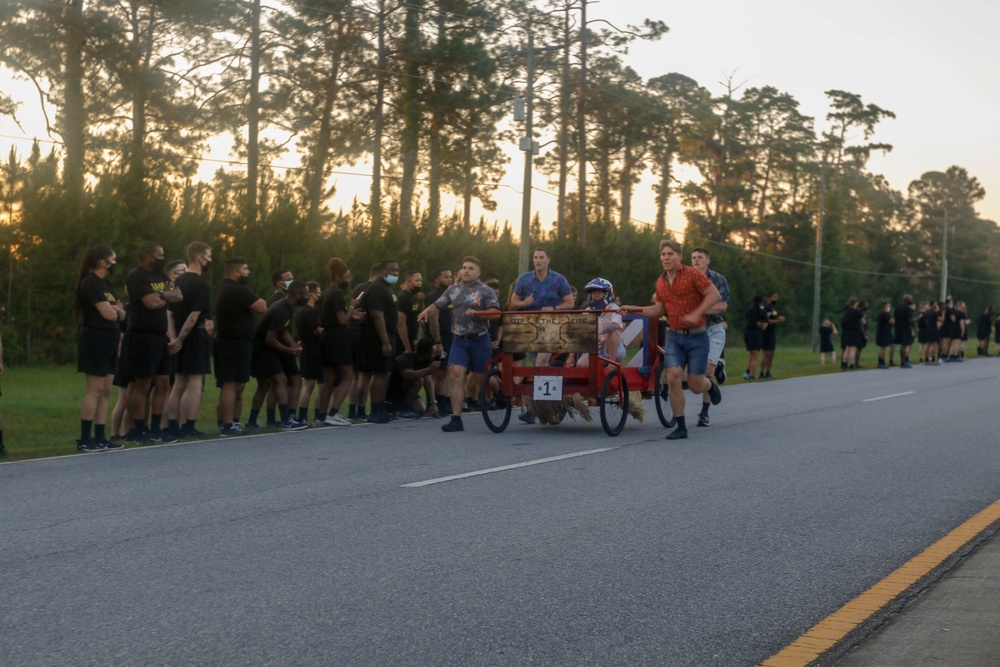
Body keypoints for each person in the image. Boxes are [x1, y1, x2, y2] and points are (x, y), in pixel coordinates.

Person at [620, 239, 722, 441]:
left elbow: (714, 295)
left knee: (694, 385)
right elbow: (658, 310)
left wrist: (697, 313)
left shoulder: (693, 274)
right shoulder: (660, 282)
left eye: (670, 254)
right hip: (675, 336)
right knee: (673, 376)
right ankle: (681, 426)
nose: (666, 258)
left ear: (679, 257)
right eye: (663, 255)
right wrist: (635, 309)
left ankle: (709, 384)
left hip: (697, 337)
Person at [418, 256, 500, 433]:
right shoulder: (453, 289)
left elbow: (496, 313)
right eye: (464, 267)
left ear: (478, 272)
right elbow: (437, 305)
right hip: (459, 340)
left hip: (480, 339)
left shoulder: (486, 291)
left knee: (482, 379)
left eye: (471, 268)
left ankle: (499, 391)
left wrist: (478, 314)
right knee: (455, 375)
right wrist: (426, 311)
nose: (466, 271)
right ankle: (456, 419)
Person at [124, 241, 183, 444]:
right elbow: (150, 303)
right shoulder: (136, 276)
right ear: (149, 256)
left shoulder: (160, 276)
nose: (162, 258)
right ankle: (139, 430)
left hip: (160, 336)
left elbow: (179, 294)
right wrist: (166, 295)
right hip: (141, 336)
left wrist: (161, 295)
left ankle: (156, 429)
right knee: (143, 384)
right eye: (160, 255)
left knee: (163, 383)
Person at [74, 244, 127, 452]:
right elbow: (110, 314)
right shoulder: (90, 283)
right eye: (112, 259)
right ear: (103, 262)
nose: (115, 263)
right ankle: (85, 439)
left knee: (105, 391)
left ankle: (100, 436)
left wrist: (117, 310)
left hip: (110, 339)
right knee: (94, 390)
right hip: (95, 339)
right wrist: (116, 310)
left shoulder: (106, 284)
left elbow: (121, 311)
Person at [164, 242, 213, 439]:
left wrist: (173, 339)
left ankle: (172, 426)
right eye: (208, 256)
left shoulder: (178, 282)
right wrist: (181, 339)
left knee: (178, 383)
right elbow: (194, 316)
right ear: (200, 257)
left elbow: (168, 314)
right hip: (194, 336)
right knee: (195, 383)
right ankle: (189, 426)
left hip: (177, 336)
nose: (210, 260)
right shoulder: (201, 284)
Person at [214, 257, 268, 437]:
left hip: (229, 340)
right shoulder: (237, 289)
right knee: (231, 384)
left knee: (235, 385)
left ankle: (227, 422)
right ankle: (228, 425)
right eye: (245, 269)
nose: (248, 272)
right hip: (234, 342)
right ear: (235, 272)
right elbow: (262, 307)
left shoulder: (223, 287)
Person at [249, 280, 310, 431]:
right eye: (306, 294)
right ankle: (285, 421)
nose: (307, 297)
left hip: (263, 347)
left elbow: (282, 331)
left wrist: (293, 345)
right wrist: (289, 350)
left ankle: (251, 422)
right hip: (261, 348)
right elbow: (270, 339)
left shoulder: (286, 306)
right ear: (297, 295)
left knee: (264, 384)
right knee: (281, 380)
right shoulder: (282, 309)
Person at [690, 247, 730, 427]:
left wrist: (701, 310)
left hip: (714, 328)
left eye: (700, 257)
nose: (696, 260)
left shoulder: (718, 279)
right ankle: (719, 364)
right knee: (689, 373)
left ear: (708, 261)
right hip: (694, 330)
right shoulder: (686, 279)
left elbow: (722, 306)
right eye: (693, 258)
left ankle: (704, 414)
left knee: (707, 372)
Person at [357, 259, 400, 424]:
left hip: (389, 333)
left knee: (386, 372)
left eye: (397, 270)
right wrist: (385, 341)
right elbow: (377, 316)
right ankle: (375, 410)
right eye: (392, 270)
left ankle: (380, 407)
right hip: (376, 335)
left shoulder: (387, 288)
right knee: (380, 372)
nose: (395, 273)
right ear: (383, 271)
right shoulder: (376, 288)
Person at [315, 258, 354, 426]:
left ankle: (321, 415)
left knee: (329, 378)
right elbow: (342, 320)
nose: (347, 280)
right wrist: (352, 307)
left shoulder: (325, 293)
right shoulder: (337, 294)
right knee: (347, 375)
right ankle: (334, 413)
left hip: (327, 336)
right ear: (338, 276)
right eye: (345, 277)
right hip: (338, 337)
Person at [346, 263, 382, 422]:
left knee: (355, 376)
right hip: (362, 335)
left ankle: (352, 410)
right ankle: (360, 410)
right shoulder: (372, 289)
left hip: (353, 332)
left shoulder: (359, 287)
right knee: (364, 376)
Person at [574, 278, 625, 369]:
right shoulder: (587, 311)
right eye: (594, 293)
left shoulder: (613, 307)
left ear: (607, 294)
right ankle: (597, 375)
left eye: (599, 293)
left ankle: (612, 364)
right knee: (581, 365)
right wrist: (570, 357)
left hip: (614, 350)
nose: (596, 295)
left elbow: (615, 325)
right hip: (596, 350)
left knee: (612, 331)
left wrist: (600, 333)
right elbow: (579, 334)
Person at [424, 266, 454, 415]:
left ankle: (443, 402)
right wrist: (437, 342)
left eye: (450, 277)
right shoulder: (434, 295)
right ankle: (432, 403)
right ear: (437, 279)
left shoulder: (447, 295)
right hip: (438, 338)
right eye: (445, 277)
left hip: (449, 337)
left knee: (444, 371)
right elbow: (433, 321)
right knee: (435, 371)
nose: (449, 279)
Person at [386, 339, 441, 418]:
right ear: (426, 354)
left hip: (406, 390)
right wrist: (429, 369)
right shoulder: (407, 359)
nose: (434, 355)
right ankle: (402, 408)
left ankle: (405, 406)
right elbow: (408, 375)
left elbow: (429, 383)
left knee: (421, 410)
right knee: (418, 381)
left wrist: (433, 403)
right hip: (394, 390)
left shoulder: (425, 361)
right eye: (432, 353)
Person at [295, 281, 324, 424]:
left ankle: (306, 416)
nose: (320, 295)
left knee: (313, 384)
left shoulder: (301, 311)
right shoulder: (309, 311)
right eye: (318, 292)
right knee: (311, 385)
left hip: (307, 348)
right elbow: (318, 331)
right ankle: (306, 416)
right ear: (311, 294)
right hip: (312, 349)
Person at [396, 270, 423, 353]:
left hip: (413, 341)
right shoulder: (403, 297)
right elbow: (400, 324)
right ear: (408, 282)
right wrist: (407, 347)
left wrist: (417, 340)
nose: (420, 283)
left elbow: (419, 319)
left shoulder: (413, 297)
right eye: (417, 281)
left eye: (420, 280)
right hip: (402, 344)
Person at [759, 292, 785, 379]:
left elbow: (773, 318)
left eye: (776, 297)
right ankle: (761, 373)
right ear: (769, 297)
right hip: (766, 333)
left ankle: (768, 372)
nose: (776, 299)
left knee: (772, 353)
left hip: (772, 332)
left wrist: (777, 320)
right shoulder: (765, 308)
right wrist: (778, 320)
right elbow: (766, 320)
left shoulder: (773, 308)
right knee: (766, 353)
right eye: (774, 297)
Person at [743, 295, 767, 381]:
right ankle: (751, 376)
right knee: (755, 357)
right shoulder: (762, 312)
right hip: (756, 334)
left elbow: (748, 319)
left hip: (747, 333)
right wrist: (761, 324)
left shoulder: (749, 310)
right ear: (761, 302)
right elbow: (764, 326)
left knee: (751, 355)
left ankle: (746, 374)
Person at [840, 298, 865, 370]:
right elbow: (863, 321)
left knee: (847, 348)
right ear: (855, 304)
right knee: (853, 349)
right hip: (855, 331)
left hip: (848, 331)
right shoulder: (857, 312)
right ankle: (852, 364)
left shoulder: (847, 312)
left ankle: (844, 364)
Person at [893, 294, 916, 368]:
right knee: (904, 344)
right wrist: (916, 319)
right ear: (908, 300)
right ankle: (903, 362)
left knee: (903, 344)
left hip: (898, 327)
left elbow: (895, 316)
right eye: (911, 298)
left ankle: (903, 361)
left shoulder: (898, 307)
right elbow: (910, 320)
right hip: (905, 328)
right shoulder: (907, 308)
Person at [875, 301, 893, 369]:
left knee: (883, 347)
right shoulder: (885, 314)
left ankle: (882, 361)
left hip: (882, 332)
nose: (889, 308)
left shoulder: (881, 314)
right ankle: (880, 361)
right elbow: (891, 321)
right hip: (883, 332)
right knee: (882, 348)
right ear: (885, 307)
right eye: (888, 306)